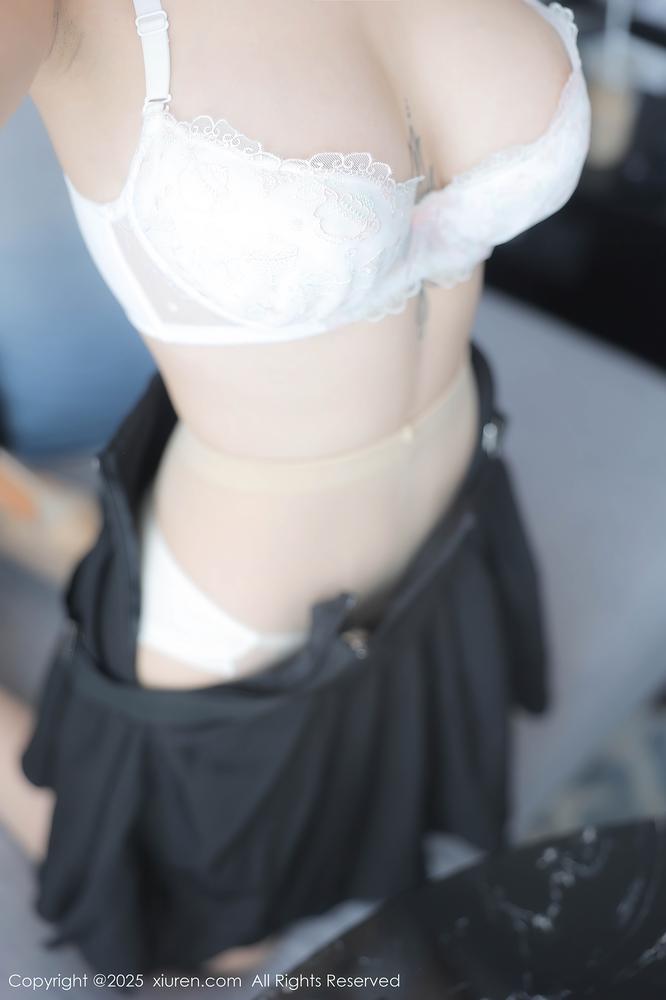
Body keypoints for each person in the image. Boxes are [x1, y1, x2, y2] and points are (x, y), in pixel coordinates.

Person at [0, 0, 591, 978]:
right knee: (227, 948)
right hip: (244, 595)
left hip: (454, 509)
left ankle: (42, 520)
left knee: (403, 805)